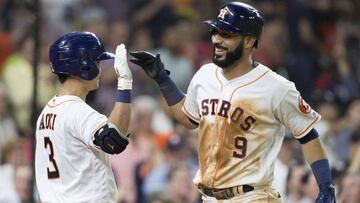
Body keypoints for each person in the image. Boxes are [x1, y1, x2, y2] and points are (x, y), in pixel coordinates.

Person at [130, 2, 336, 202]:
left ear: (248, 41)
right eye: (215, 32)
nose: (217, 39)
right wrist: (162, 80)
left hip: (252, 196)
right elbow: (188, 118)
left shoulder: (277, 87)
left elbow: (308, 135)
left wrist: (325, 186)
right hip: (209, 197)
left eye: (227, 34)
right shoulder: (205, 74)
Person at [35, 31, 133, 203]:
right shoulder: (75, 110)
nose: (100, 68)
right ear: (83, 65)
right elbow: (113, 140)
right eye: (97, 61)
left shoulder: (45, 114)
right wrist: (125, 83)